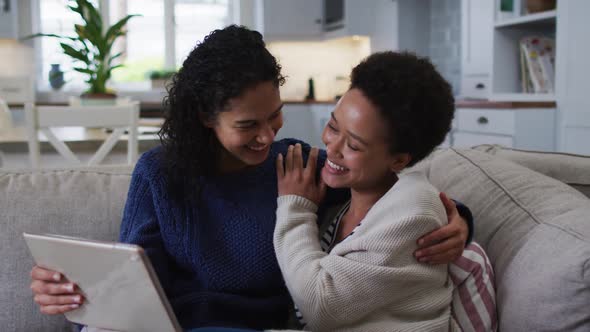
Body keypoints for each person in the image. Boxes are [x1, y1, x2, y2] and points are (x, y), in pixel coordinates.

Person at [29, 26, 471, 331]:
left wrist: (461, 223)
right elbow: (136, 279)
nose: (267, 136)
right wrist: (75, 290)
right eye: (247, 126)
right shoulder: (159, 174)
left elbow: (385, 194)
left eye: (275, 117)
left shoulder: (295, 164)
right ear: (205, 116)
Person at [274, 51, 462, 331]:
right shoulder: (347, 199)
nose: (332, 148)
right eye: (333, 126)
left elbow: (320, 306)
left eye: (353, 146)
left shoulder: (414, 206)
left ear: (399, 160)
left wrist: (295, 208)